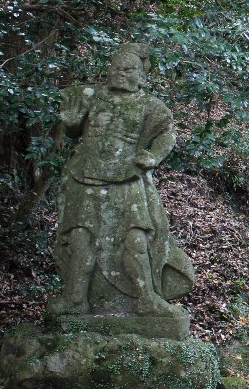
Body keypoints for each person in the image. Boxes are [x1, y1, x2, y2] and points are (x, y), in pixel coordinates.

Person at [49, 43, 192, 319]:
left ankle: (147, 298)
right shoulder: (93, 97)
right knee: (80, 238)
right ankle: (76, 298)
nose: (121, 73)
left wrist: (153, 156)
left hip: (127, 176)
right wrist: (69, 124)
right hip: (86, 176)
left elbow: (167, 134)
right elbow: (75, 129)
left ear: (141, 74)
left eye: (128, 69)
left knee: (137, 239)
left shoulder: (150, 105)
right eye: (116, 68)